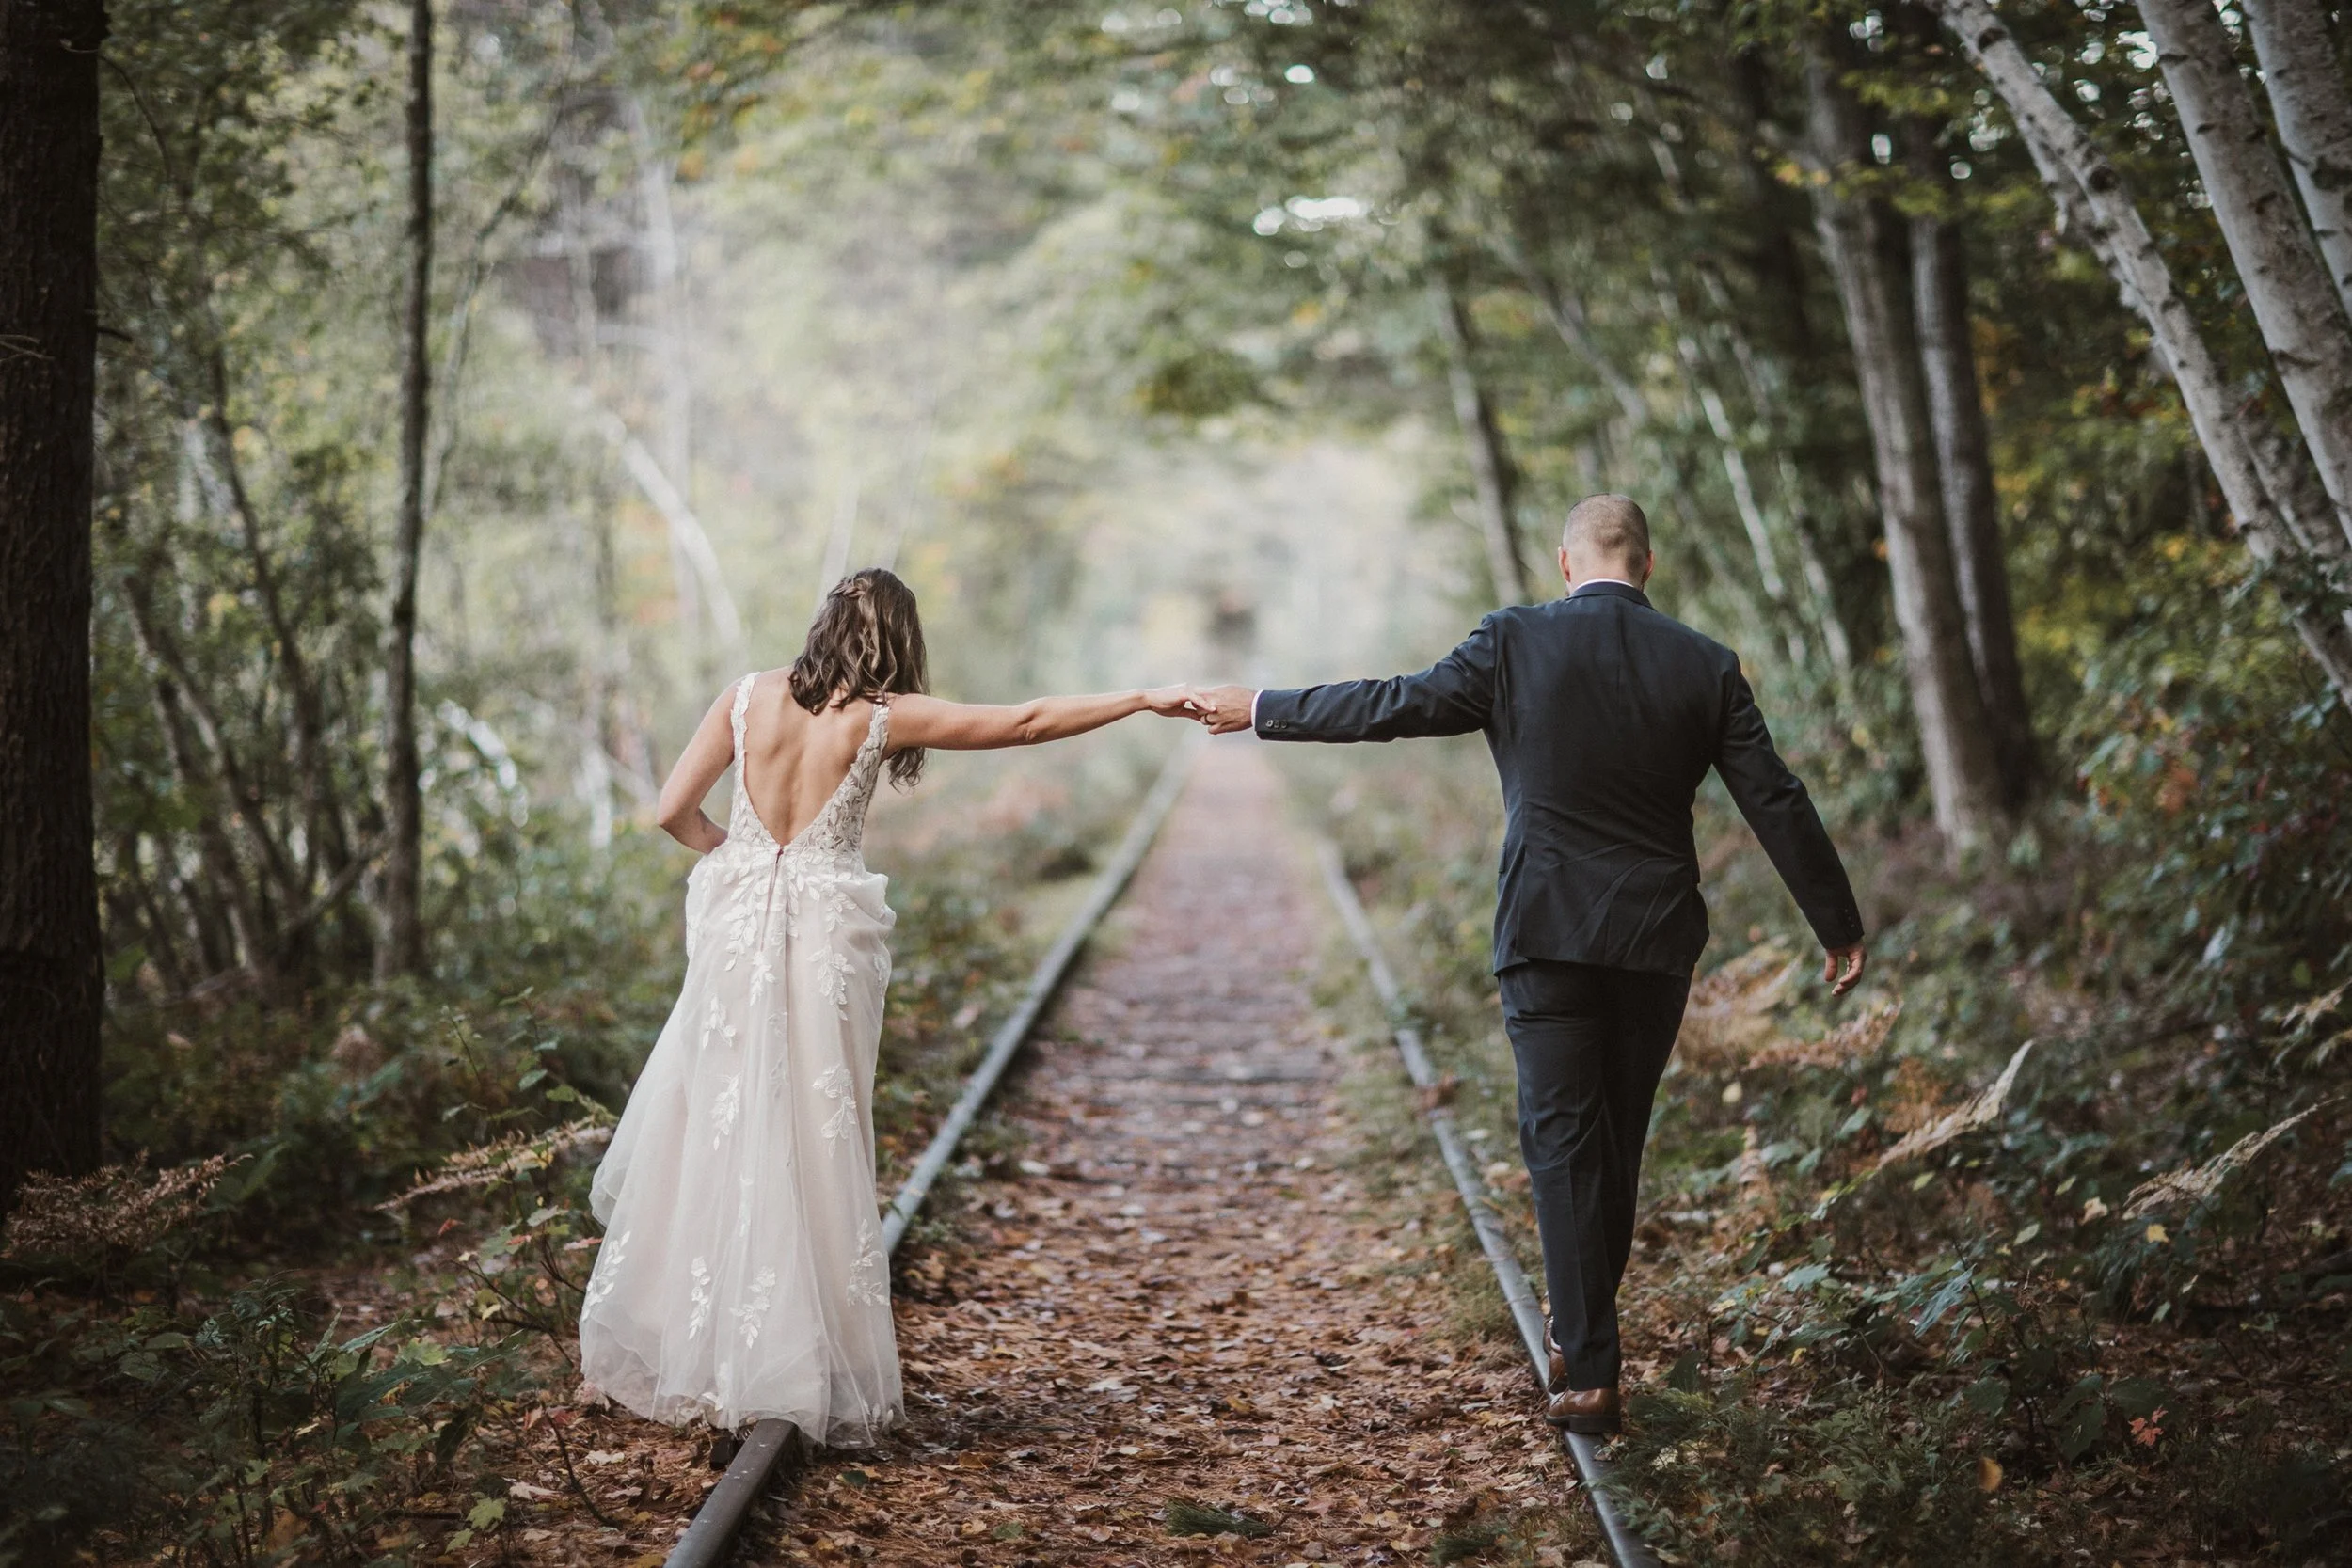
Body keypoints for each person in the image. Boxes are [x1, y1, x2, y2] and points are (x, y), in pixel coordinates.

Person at [1189, 495, 1866, 1435]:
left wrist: (1264, 708)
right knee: (1614, 1137)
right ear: (1648, 563)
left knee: (1559, 1138)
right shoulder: (1703, 662)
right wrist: (1835, 920)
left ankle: (1587, 1358)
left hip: (1544, 928)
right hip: (1653, 937)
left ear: (1564, 562)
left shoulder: (1514, 641)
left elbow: (1394, 703)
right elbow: (1775, 795)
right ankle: (1585, 1335)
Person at [580, 567, 1196, 1442]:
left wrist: (745, 859)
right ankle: (790, 1356)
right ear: (898, 641)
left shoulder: (745, 697)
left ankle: (697, 1348)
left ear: (823, 624)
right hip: (829, 935)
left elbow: (672, 811)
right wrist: (1142, 697)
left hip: (735, 934)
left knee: (716, 1120)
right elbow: (1024, 721)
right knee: (815, 1133)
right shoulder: (880, 715)